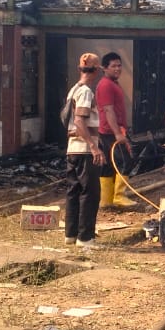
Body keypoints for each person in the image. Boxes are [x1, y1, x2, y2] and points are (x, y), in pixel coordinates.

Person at [64, 52, 105, 246]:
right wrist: (93, 147)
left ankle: (70, 235)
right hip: (84, 150)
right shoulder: (86, 92)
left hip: (72, 149)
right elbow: (80, 119)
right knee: (90, 193)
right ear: (96, 71)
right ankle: (85, 237)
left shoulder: (73, 89)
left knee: (73, 191)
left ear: (80, 69)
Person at [96, 51, 135, 210]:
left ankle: (106, 200)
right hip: (111, 131)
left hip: (109, 130)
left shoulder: (112, 83)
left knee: (108, 165)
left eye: (119, 65)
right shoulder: (106, 85)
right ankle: (119, 196)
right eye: (114, 66)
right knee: (125, 161)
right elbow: (108, 110)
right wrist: (118, 133)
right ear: (104, 68)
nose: (118, 69)